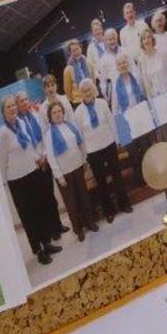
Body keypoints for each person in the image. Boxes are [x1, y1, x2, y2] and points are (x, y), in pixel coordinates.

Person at [0, 95, 62, 265]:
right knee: (28, 217)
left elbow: (30, 147)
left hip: (33, 172)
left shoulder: (21, 122)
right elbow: (1, 161)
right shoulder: (3, 133)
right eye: (8, 107)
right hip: (17, 181)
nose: (12, 108)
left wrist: (38, 158)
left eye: (13, 105)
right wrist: (4, 184)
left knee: (40, 210)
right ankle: (38, 251)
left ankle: (47, 243)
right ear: (3, 112)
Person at [75, 78, 132, 220]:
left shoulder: (102, 103)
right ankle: (109, 211)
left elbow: (111, 122)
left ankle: (124, 204)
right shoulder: (78, 112)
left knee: (117, 176)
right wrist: (84, 155)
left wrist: (117, 140)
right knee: (101, 182)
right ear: (81, 94)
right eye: (84, 91)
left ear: (93, 89)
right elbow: (80, 136)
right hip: (92, 151)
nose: (87, 93)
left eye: (89, 89)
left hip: (109, 144)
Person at [45, 100, 99, 241]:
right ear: (50, 116)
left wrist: (84, 160)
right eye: (54, 113)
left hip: (78, 167)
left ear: (63, 112)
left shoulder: (70, 126)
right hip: (64, 174)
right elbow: (51, 157)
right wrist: (59, 176)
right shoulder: (49, 134)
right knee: (72, 203)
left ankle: (90, 222)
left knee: (84, 197)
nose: (57, 114)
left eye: (59, 111)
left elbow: (80, 144)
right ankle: (78, 229)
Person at [110, 54, 152, 185]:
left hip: (140, 116)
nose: (122, 65)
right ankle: (140, 179)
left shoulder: (136, 77)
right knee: (133, 153)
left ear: (128, 64)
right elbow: (115, 108)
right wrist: (120, 131)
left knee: (145, 147)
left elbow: (144, 95)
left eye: (124, 62)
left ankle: (151, 175)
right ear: (117, 67)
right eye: (119, 64)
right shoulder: (115, 85)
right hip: (126, 121)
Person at [62, 38, 93, 104]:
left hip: (92, 97)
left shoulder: (88, 62)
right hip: (78, 101)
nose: (76, 52)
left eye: (77, 49)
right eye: (73, 51)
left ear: (81, 49)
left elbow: (93, 80)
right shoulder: (67, 70)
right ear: (70, 53)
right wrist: (74, 101)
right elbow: (67, 90)